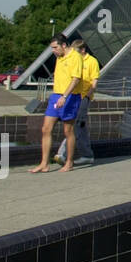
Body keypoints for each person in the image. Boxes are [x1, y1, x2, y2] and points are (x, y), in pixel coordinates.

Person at [29, 34, 82, 173]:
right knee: (46, 129)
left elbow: (75, 79)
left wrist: (64, 96)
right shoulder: (59, 57)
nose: (53, 51)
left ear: (63, 45)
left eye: (55, 47)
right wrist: (58, 95)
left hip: (70, 96)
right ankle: (44, 163)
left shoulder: (75, 57)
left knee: (68, 130)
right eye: (52, 48)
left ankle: (69, 162)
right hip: (55, 96)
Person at [54, 39, 98, 165]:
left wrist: (87, 97)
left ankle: (62, 154)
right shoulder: (73, 59)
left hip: (83, 97)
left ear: (83, 50)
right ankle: (87, 155)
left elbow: (94, 82)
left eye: (76, 51)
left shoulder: (92, 61)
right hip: (73, 97)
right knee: (80, 126)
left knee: (75, 125)